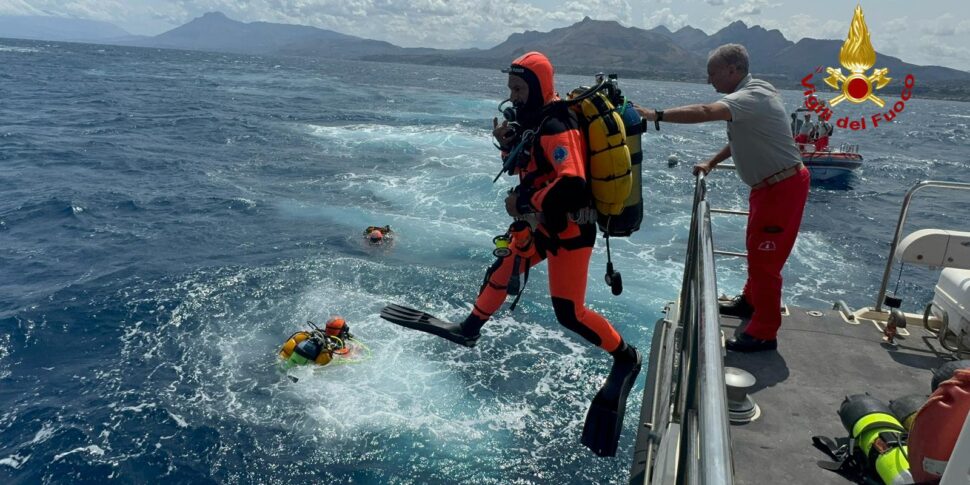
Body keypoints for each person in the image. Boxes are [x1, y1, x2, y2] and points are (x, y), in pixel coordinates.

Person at [381, 51, 641, 457]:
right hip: (540, 224)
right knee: (505, 265)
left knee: (569, 313)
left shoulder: (556, 124)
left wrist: (524, 199)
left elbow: (571, 184)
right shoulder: (533, 121)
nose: (514, 97)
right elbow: (528, 165)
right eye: (511, 89)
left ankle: (626, 357)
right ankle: (469, 328)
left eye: (520, 89)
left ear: (538, 87)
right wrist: (505, 146)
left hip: (569, 230)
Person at [635, 43, 810, 352]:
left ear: (733, 70)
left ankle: (764, 332)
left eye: (712, 73)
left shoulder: (752, 96)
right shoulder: (753, 95)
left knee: (766, 262)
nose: (708, 80)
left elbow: (705, 111)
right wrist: (712, 162)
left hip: (782, 188)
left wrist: (654, 115)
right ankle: (750, 302)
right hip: (769, 187)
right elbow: (744, 138)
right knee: (757, 253)